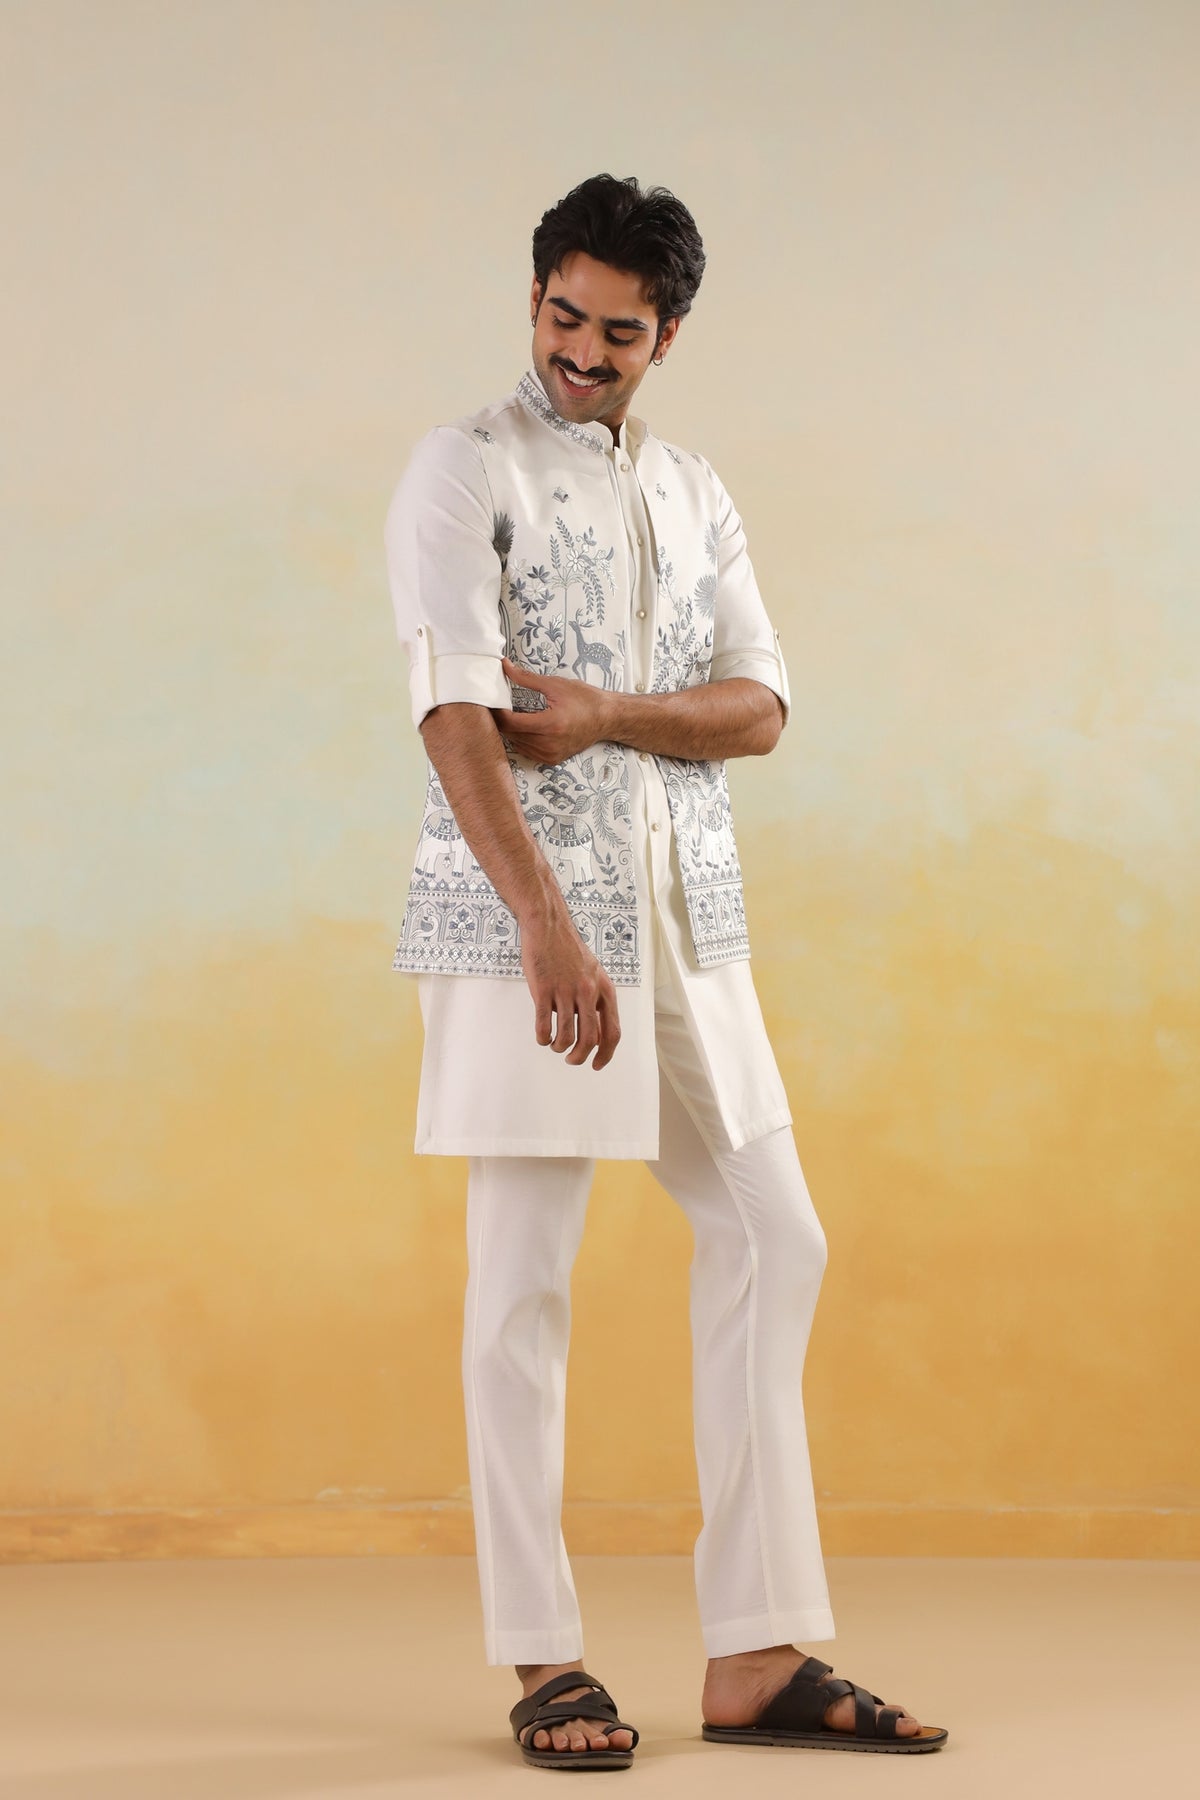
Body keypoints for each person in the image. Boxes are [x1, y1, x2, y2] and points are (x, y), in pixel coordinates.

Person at [384, 173, 948, 1767]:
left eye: (617, 333)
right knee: (524, 1286)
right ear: (534, 300)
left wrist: (610, 715)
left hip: (692, 921)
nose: (581, 352)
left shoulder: (695, 492)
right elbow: (453, 710)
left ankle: (755, 1653)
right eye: (563, 317)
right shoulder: (462, 468)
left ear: (668, 335)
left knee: (775, 1235)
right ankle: (542, 1657)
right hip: (525, 930)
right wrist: (542, 922)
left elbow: (760, 707)